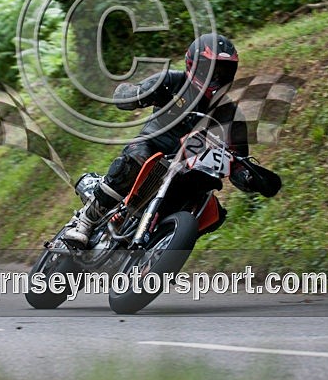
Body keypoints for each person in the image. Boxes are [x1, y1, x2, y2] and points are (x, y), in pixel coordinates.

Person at [65, 33, 247, 245]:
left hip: (192, 170)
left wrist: (247, 175)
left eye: (224, 71)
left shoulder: (231, 114)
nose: (217, 75)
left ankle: (162, 248)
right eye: (211, 69)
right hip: (154, 147)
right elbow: (126, 96)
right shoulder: (173, 82)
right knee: (135, 161)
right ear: (193, 65)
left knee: (212, 213)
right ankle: (85, 221)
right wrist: (139, 95)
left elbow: (240, 158)